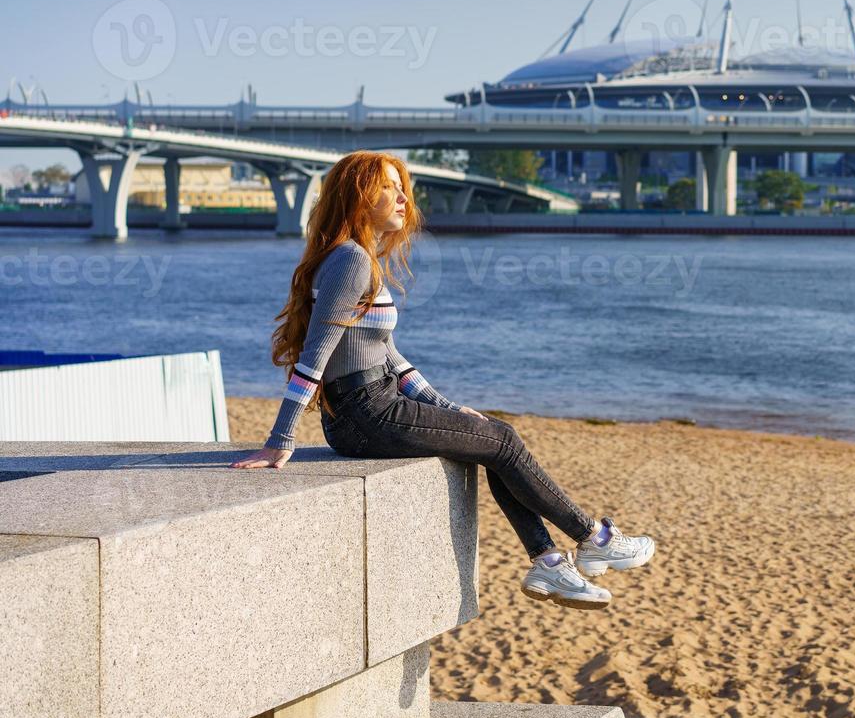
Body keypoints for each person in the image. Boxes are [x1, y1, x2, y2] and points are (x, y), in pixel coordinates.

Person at [232, 151, 653, 611]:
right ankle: (593, 538)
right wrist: (281, 437)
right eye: (387, 187)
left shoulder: (356, 258)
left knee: (491, 440)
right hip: (366, 413)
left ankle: (550, 561)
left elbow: (392, 358)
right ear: (357, 196)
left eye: (401, 187)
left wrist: (450, 409)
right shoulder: (350, 260)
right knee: (503, 439)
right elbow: (315, 354)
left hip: (371, 407)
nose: (401, 197)